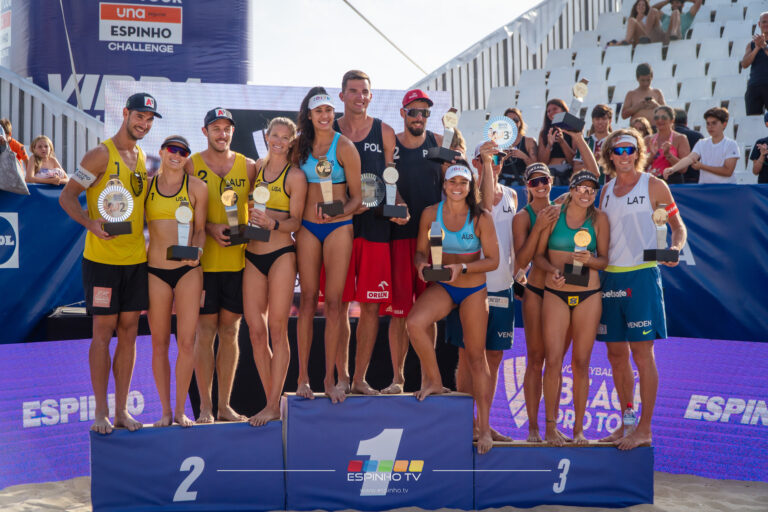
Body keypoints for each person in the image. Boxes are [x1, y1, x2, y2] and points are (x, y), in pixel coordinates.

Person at [58, 92, 159, 434]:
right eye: (139, 116)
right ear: (126, 113)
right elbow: (66, 195)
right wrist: (89, 223)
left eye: (148, 120)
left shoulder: (142, 156)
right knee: (102, 333)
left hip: (135, 260)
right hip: (101, 261)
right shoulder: (100, 154)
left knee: (129, 333)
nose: (143, 124)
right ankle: (100, 411)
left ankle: (120, 411)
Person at [598, 128, 687, 450]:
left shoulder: (654, 184)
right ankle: (627, 423)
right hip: (610, 278)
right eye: (618, 150)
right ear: (610, 154)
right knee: (615, 355)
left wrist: (675, 248)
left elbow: (676, 227)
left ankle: (645, 429)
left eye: (630, 149)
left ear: (638, 152)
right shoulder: (605, 190)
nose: (624, 155)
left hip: (642, 275)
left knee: (642, 354)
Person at [406, 161, 499, 453]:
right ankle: (434, 380)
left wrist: (463, 267)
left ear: (470, 187)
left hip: (472, 288)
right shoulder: (431, 213)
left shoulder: (481, 217)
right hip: (444, 286)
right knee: (415, 323)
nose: (457, 188)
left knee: (476, 359)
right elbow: (421, 251)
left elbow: (494, 261)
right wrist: (421, 264)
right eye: (452, 182)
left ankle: (484, 429)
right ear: (444, 185)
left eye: (463, 183)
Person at [331, 71, 402, 396]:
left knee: (370, 306)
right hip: (338, 226)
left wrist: (398, 206)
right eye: (353, 91)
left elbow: (391, 181)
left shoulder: (384, 131)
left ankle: (359, 378)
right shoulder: (328, 130)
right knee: (339, 303)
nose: (360, 96)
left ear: (371, 97)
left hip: (374, 227)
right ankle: (341, 377)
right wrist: (345, 206)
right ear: (342, 95)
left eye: (365, 92)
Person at [184, 107, 257, 423]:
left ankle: (224, 406)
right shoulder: (190, 165)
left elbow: (260, 211)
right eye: (215, 127)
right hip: (201, 264)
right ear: (205, 132)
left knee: (230, 332)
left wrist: (246, 231)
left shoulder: (250, 166)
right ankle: (203, 408)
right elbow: (179, 214)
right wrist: (210, 228)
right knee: (205, 331)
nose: (222, 133)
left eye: (227, 128)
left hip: (237, 263)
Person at [292, 87, 362, 403]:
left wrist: (337, 211)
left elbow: (359, 197)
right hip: (306, 228)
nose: (324, 116)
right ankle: (303, 378)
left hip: (338, 229)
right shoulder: (299, 147)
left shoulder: (344, 146)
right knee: (307, 300)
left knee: (334, 303)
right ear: (309, 115)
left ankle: (330, 378)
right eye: (318, 111)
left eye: (329, 111)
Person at [446, 142, 517, 444]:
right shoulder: (471, 197)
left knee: (494, 358)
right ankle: (468, 423)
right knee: (467, 357)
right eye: (485, 158)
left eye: (498, 157)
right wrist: (485, 166)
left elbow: (513, 241)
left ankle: (485, 422)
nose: (493, 162)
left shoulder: (513, 195)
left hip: (502, 285)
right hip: (472, 285)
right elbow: (485, 205)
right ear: (475, 162)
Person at [534, 163, 609, 445]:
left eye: (591, 190)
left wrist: (589, 260)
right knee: (553, 361)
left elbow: (604, 260)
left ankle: (579, 430)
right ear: (572, 190)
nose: (586, 194)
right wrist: (551, 271)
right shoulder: (554, 215)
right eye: (581, 188)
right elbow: (538, 257)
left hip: (589, 294)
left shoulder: (599, 219)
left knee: (581, 363)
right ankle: (551, 427)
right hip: (556, 292)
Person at [243, 118, 306, 425]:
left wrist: (274, 224)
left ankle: (271, 405)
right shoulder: (255, 168)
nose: (279, 141)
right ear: (266, 136)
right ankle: (272, 404)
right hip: (252, 256)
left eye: (285, 137)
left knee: (277, 331)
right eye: (274, 135)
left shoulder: (295, 176)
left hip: (281, 254)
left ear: (292, 141)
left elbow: (297, 222)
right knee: (256, 332)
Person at [382, 89, 445, 394]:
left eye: (424, 113)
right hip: (400, 236)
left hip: (433, 238)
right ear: (403, 113)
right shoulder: (391, 144)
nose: (419, 118)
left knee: (427, 311)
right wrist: (395, 206)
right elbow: (381, 185)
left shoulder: (437, 142)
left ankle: (428, 379)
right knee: (399, 312)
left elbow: (454, 184)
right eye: (414, 112)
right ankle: (397, 378)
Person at [145, 135, 207, 428]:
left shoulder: (197, 187)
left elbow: (201, 230)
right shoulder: (146, 187)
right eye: (172, 149)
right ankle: (165, 412)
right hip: (155, 270)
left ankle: (181, 409)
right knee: (159, 344)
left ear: (187, 157)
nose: (177, 154)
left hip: (188, 271)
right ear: (162, 152)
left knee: (186, 342)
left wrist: (198, 252)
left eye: (183, 151)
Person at [512, 163, 560, 442]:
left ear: (552, 181)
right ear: (527, 186)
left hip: (562, 293)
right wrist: (538, 225)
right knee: (535, 360)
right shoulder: (523, 216)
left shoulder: (564, 207)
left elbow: (593, 177)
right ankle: (533, 428)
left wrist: (577, 138)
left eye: (544, 180)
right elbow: (521, 261)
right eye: (534, 182)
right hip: (536, 292)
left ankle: (552, 426)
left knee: (556, 362)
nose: (541, 186)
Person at [663, 107, 740, 184]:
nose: (710, 127)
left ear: (724, 124)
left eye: (714, 123)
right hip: (705, 189)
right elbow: (689, 159)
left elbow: (728, 171)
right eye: (708, 123)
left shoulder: (731, 144)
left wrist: (702, 166)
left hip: (726, 189)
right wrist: (673, 169)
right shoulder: (702, 143)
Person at [644, 105, 690, 184]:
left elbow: (683, 169)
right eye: (656, 118)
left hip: (671, 182)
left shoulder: (680, 139)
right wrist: (651, 155)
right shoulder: (647, 139)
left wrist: (668, 155)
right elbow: (639, 167)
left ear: (672, 120)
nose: (660, 120)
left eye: (664, 118)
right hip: (650, 182)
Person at [538, 99, 576, 185]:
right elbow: (542, 163)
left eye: (555, 109)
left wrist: (562, 142)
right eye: (548, 111)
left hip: (568, 174)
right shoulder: (544, 133)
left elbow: (574, 161)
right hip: (549, 174)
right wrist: (549, 145)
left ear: (563, 110)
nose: (551, 112)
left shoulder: (573, 129)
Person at [574, 104, 613, 182]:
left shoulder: (615, 141)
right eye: (597, 119)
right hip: (588, 188)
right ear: (592, 120)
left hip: (611, 187)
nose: (600, 122)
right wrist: (593, 160)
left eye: (604, 118)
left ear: (610, 120)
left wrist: (604, 159)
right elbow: (576, 168)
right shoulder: (584, 141)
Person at [499, 107, 538, 186]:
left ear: (520, 123)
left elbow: (536, 169)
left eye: (515, 120)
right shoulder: (497, 143)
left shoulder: (529, 142)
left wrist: (524, 156)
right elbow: (493, 168)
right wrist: (502, 160)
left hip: (521, 184)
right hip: (502, 183)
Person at [621, 64, 666, 128]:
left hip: (655, 128)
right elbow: (624, 115)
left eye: (648, 80)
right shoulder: (631, 94)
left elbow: (667, 114)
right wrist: (638, 106)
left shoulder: (657, 92)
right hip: (637, 129)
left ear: (652, 77)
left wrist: (655, 105)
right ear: (637, 78)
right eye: (642, 80)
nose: (645, 83)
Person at [742, 12, 768, 116]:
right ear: (759, 24)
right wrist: (757, 48)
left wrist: (764, 46)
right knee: (752, 121)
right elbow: (744, 64)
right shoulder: (751, 44)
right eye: (764, 22)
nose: (766, 25)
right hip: (754, 86)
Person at [673, 108, 704, 184]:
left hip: (671, 180)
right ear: (686, 122)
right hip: (694, 180)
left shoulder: (665, 136)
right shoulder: (697, 136)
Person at [749, 112, 768, 184]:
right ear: (767, 124)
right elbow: (755, 171)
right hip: (764, 188)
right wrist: (762, 155)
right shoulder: (761, 142)